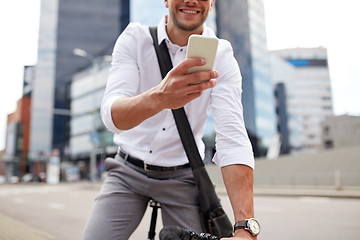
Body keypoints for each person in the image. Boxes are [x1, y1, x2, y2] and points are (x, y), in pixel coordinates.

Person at [82, 0, 259, 239]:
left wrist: (245, 226)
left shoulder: (222, 55)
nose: (191, 0)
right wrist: (160, 97)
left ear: (212, 2)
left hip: (183, 177)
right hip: (128, 171)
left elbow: (233, 138)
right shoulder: (135, 39)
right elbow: (112, 116)